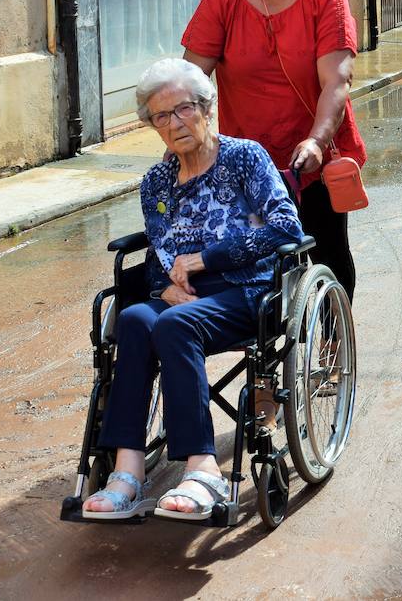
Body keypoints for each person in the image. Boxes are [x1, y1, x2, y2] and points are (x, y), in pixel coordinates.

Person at [82, 58, 304, 521]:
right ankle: (127, 470)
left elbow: (286, 227)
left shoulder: (245, 157)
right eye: (162, 116)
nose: (175, 123)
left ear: (207, 108)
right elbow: (160, 252)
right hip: (181, 298)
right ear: (152, 126)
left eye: (183, 109)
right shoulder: (157, 182)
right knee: (134, 319)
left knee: (177, 326)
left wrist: (209, 258)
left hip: (248, 290)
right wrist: (163, 290)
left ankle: (203, 468)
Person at [183, 0, 365, 295]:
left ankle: (335, 344)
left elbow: (336, 81)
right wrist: (187, 133)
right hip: (247, 157)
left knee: (328, 251)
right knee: (247, 255)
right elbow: (192, 79)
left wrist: (317, 141)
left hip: (309, 155)